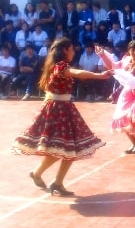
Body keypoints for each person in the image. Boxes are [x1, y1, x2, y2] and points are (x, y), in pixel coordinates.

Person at [12, 38, 112, 196]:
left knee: (68, 149)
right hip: (59, 112)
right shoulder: (61, 66)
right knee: (65, 148)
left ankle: (53, 180)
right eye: (72, 48)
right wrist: (99, 76)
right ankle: (46, 177)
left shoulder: (54, 66)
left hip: (63, 109)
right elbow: (78, 73)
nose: (73, 51)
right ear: (65, 50)